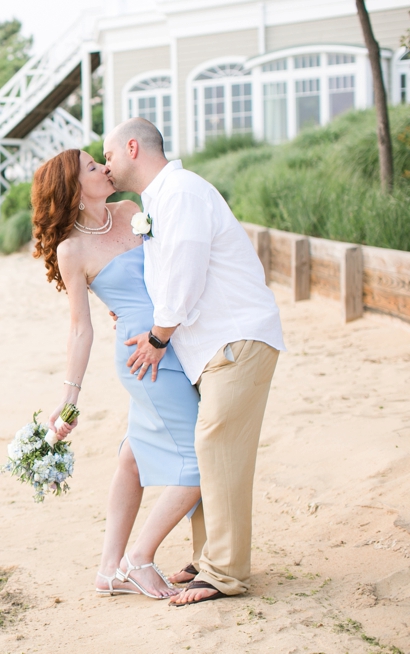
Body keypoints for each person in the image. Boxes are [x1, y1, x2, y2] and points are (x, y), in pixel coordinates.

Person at [102, 118, 285, 606]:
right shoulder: (161, 199)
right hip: (212, 345)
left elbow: (185, 271)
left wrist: (158, 339)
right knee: (208, 449)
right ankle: (209, 557)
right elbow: (164, 276)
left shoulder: (180, 191)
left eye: (109, 153)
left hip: (236, 337)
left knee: (217, 446)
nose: (106, 164)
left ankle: (224, 571)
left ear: (133, 147)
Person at [32, 149, 202, 600]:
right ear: (73, 187)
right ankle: (138, 560)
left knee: (133, 455)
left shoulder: (130, 210)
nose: (105, 169)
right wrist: (69, 400)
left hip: (175, 341)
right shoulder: (72, 249)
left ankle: (109, 569)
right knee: (200, 459)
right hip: (143, 359)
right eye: (93, 167)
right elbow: (80, 328)